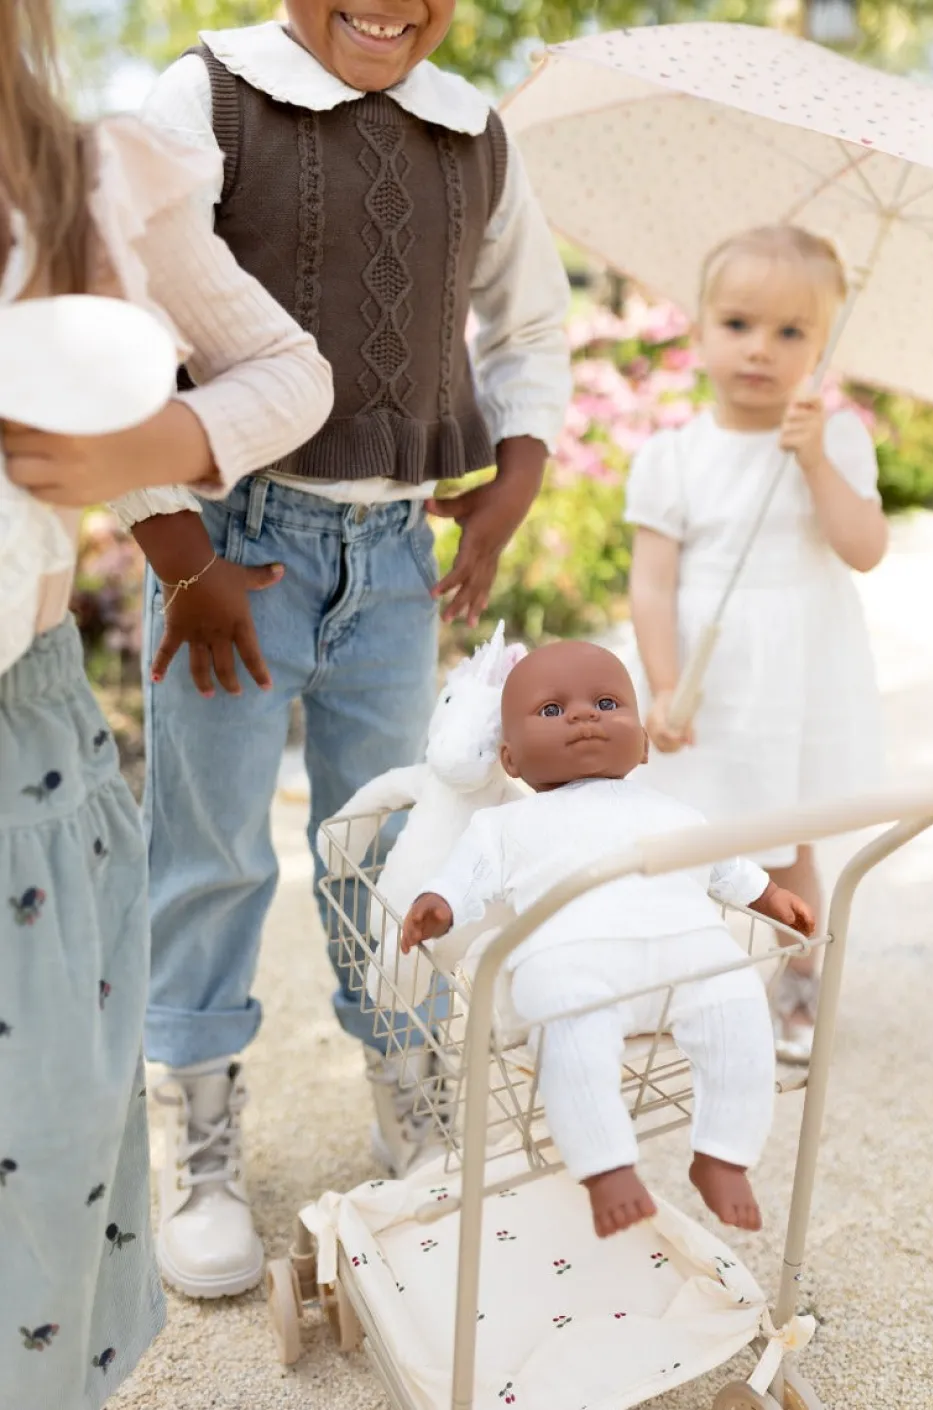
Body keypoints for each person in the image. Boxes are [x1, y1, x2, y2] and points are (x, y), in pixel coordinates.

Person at [126, 2, 571, 1298]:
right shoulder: (205, 97)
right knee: (210, 846)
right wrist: (179, 555)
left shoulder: (471, 131)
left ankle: (406, 1084)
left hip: (393, 558)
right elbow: (124, 324)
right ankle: (200, 1134)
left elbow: (528, 326)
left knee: (393, 839)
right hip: (229, 547)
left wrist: (514, 480)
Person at [0, 1, 333, 1402]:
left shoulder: (75, 181)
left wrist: (155, 453)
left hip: (16, 757)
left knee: (38, 1145)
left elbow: (288, 370)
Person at [402, 642, 814, 1237]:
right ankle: (606, 1166)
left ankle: (724, 1154)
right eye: (552, 710)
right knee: (567, 1030)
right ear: (510, 759)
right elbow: (465, 874)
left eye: (605, 703)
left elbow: (722, 864)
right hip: (574, 960)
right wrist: (438, 902)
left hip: (689, 949)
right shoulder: (503, 824)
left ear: (642, 745)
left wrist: (769, 895)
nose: (582, 716)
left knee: (740, 1001)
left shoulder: (672, 810)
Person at [624, 225, 887, 1065]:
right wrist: (664, 685)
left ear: (822, 342)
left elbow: (864, 548)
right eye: (738, 324)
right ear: (700, 326)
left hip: (793, 679)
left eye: (791, 331)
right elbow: (652, 584)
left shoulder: (833, 440)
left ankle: (799, 979)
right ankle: (681, 979)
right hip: (707, 677)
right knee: (688, 833)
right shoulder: (673, 456)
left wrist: (814, 463)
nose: (760, 349)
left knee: (785, 837)